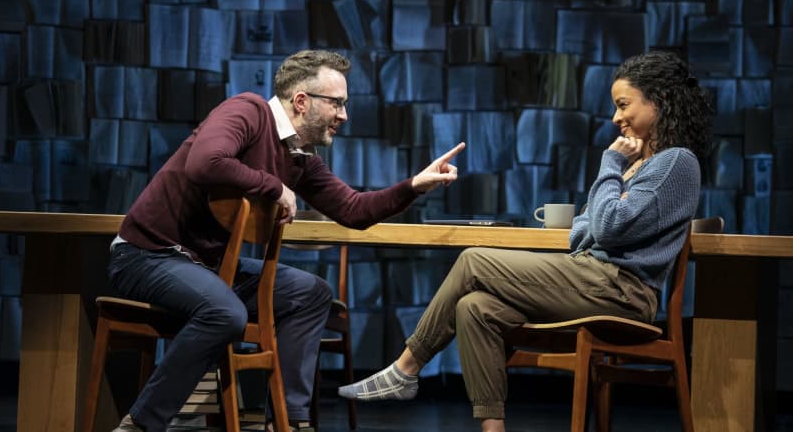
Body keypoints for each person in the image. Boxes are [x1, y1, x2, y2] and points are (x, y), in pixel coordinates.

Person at [338, 51, 713, 432]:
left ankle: (406, 367)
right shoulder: (638, 167)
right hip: (594, 278)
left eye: (623, 105)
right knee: (475, 307)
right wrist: (605, 211)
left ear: (659, 102)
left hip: (621, 290)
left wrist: (610, 168)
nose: (616, 118)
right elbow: (583, 230)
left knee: (474, 261)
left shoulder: (675, 162)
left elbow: (607, 228)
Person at [108, 49, 465, 432]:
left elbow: (354, 210)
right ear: (301, 101)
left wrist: (413, 185)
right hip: (147, 255)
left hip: (205, 268)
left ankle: (289, 422)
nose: (344, 115)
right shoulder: (246, 111)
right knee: (225, 313)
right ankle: (141, 425)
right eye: (337, 104)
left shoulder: (301, 157)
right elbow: (205, 162)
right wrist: (273, 185)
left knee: (311, 292)